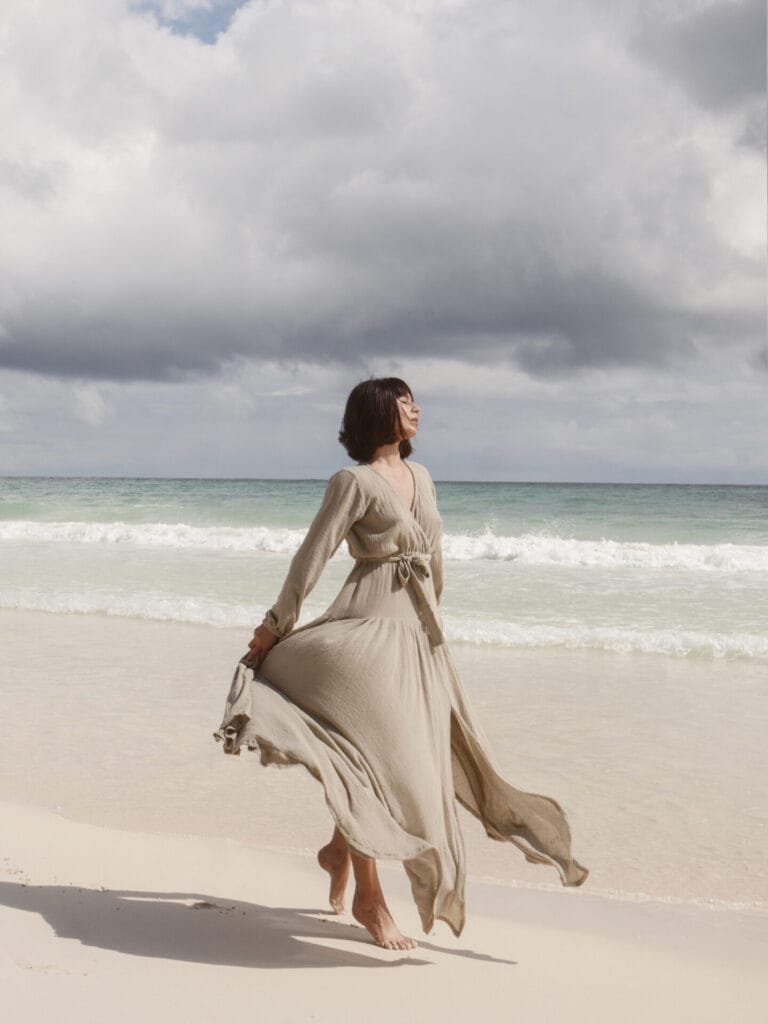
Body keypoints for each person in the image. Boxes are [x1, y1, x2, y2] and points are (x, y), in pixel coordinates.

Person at [214, 377, 588, 951]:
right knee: (375, 761)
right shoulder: (353, 482)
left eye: (414, 399)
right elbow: (311, 557)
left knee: (399, 760)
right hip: (365, 633)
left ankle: (340, 850)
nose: (416, 407)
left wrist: (433, 632)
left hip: (416, 636)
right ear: (378, 413)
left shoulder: (424, 477)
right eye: (404, 399)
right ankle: (370, 898)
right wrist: (274, 626)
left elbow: (434, 560)